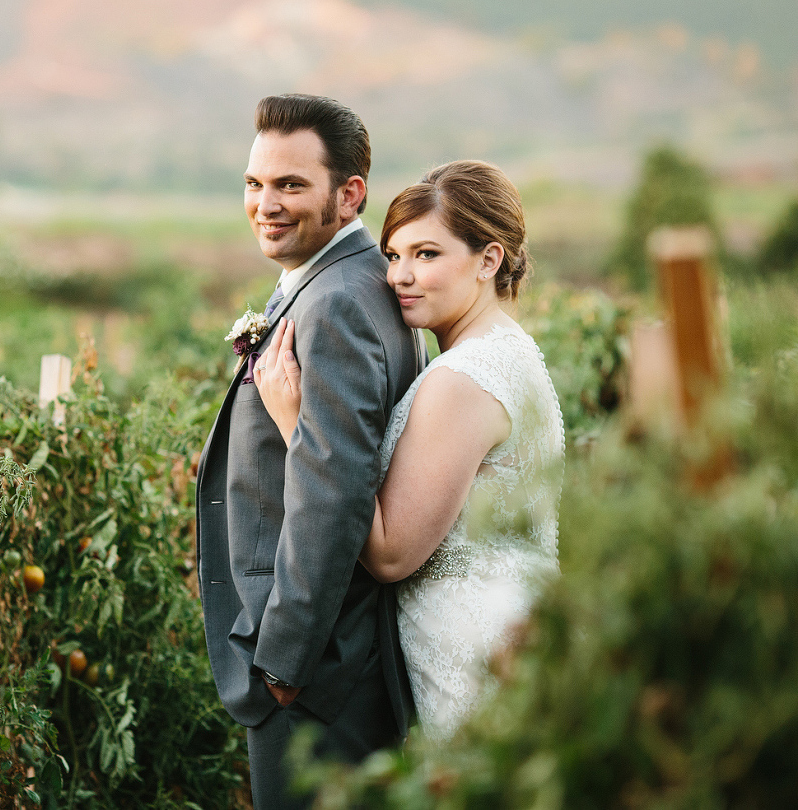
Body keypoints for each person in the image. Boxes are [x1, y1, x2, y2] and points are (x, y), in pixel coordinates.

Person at [254, 160, 565, 739]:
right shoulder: (506, 350)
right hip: (508, 630)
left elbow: (392, 554)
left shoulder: (465, 378)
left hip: (474, 656)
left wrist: (298, 422)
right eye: (394, 255)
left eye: (427, 255)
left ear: (488, 261)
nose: (399, 275)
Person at [195, 94, 427, 810]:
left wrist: (284, 662)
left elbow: (333, 487)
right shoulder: (337, 283)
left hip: (314, 669)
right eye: (253, 183)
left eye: (290, 184)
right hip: (320, 659)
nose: (265, 202)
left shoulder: (337, 303)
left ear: (347, 193)